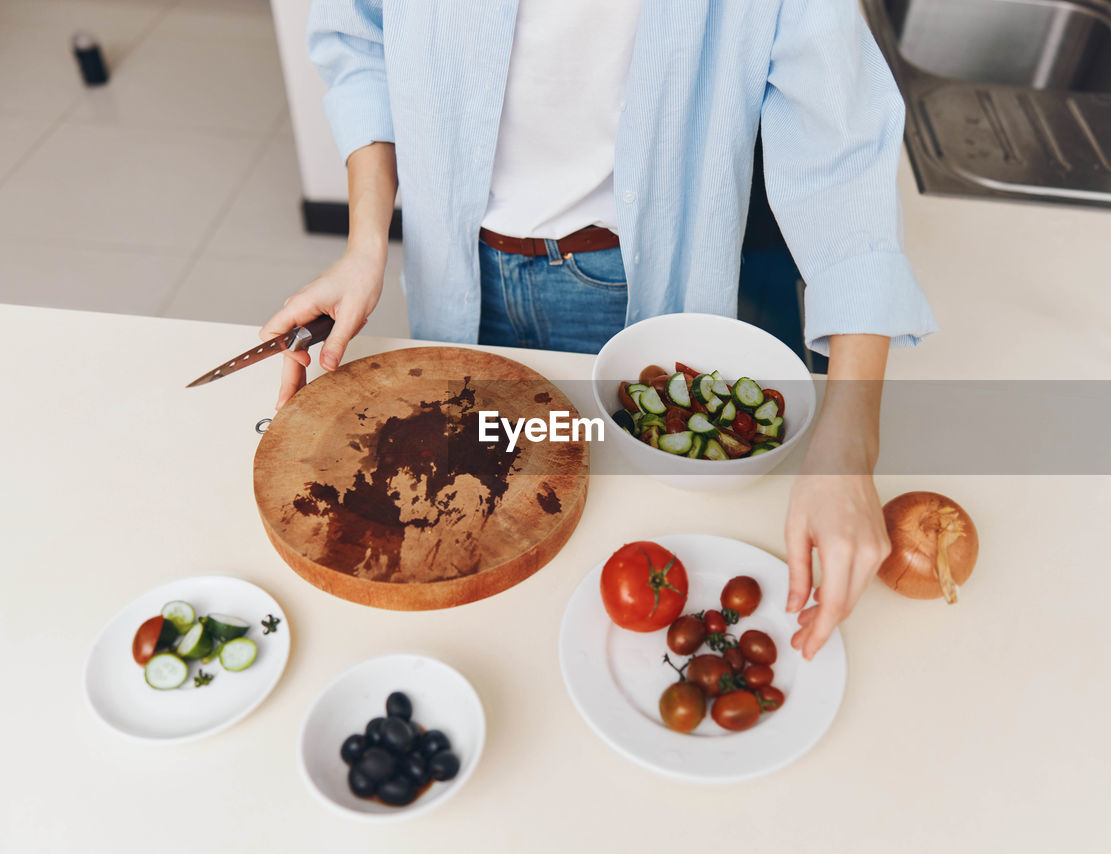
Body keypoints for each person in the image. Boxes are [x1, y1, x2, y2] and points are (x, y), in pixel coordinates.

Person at [261, 0, 938, 660]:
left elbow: (842, 152)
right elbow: (362, 40)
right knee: (465, 534)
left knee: (612, 564)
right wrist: (364, 246)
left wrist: (852, 440)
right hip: (457, 278)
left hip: (632, 295)